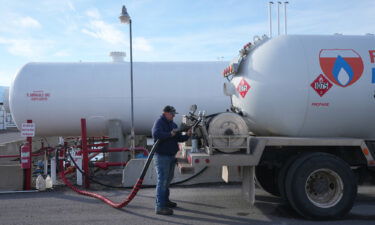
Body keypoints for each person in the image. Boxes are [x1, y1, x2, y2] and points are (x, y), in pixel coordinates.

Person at [151, 105, 191, 215]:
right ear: (166, 113)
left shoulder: (173, 124)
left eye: (174, 114)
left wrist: (187, 135)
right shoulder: (159, 122)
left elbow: (178, 138)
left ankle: (165, 201)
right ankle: (159, 206)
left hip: (171, 156)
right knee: (162, 181)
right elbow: (156, 134)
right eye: (172, 114)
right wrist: (170, 134)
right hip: (162, 156)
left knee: (167, 180)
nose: (173, 116)